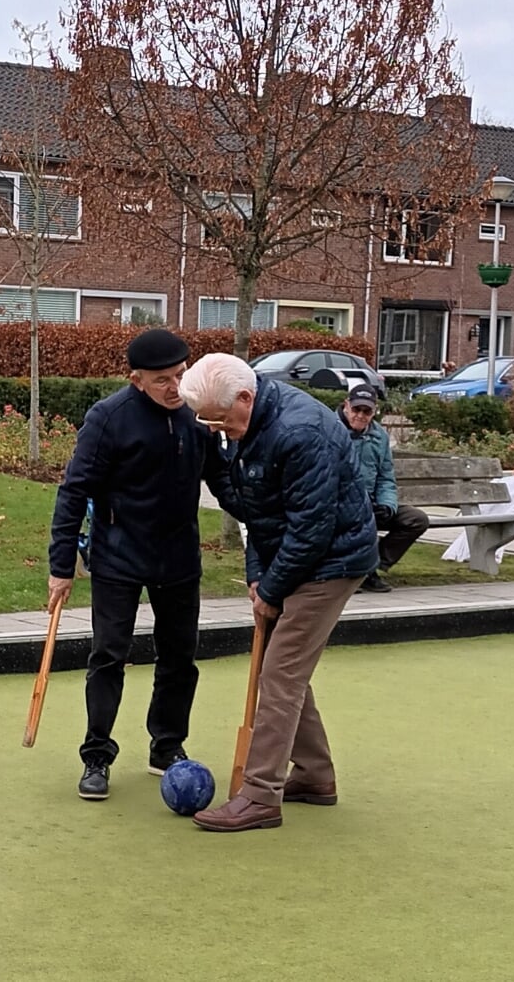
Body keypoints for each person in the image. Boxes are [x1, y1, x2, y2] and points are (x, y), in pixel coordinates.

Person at [178, 353, 377, 832]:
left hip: (332, 561)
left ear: (245, 397)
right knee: (285, 667)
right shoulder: (251, 424)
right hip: (298, 554)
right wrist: (257, 575)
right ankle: (314, 777)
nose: (220, 430)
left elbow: (310, 529)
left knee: (279, 673)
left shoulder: (299, 432)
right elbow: (258, 511)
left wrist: (272, 589)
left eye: (222, 419)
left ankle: (261, 795)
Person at [47, 329, 222, 800]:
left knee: (180, 658)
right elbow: (73, 492)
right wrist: (61, 565)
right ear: (137, 379)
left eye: (180, 376)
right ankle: (97, 755)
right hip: (118, 557)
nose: (174, 387)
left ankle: (167, 746)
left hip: (179, 557)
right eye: (162, 379)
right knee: (108, 656)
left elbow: (223, 481)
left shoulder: (196, 417)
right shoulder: (108, 418)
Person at [341, 382, 427, 592]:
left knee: (416, 519)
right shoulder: (329, 430)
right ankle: (351, 572)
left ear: (374, 411)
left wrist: (387, 505)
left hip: (372, 501)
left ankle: (370, 568)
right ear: (346, 406)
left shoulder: (380, 437)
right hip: (339, 502)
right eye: (356, 409)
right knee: (359, 518)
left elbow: (386, 478)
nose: (360, 415)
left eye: (367, 411)